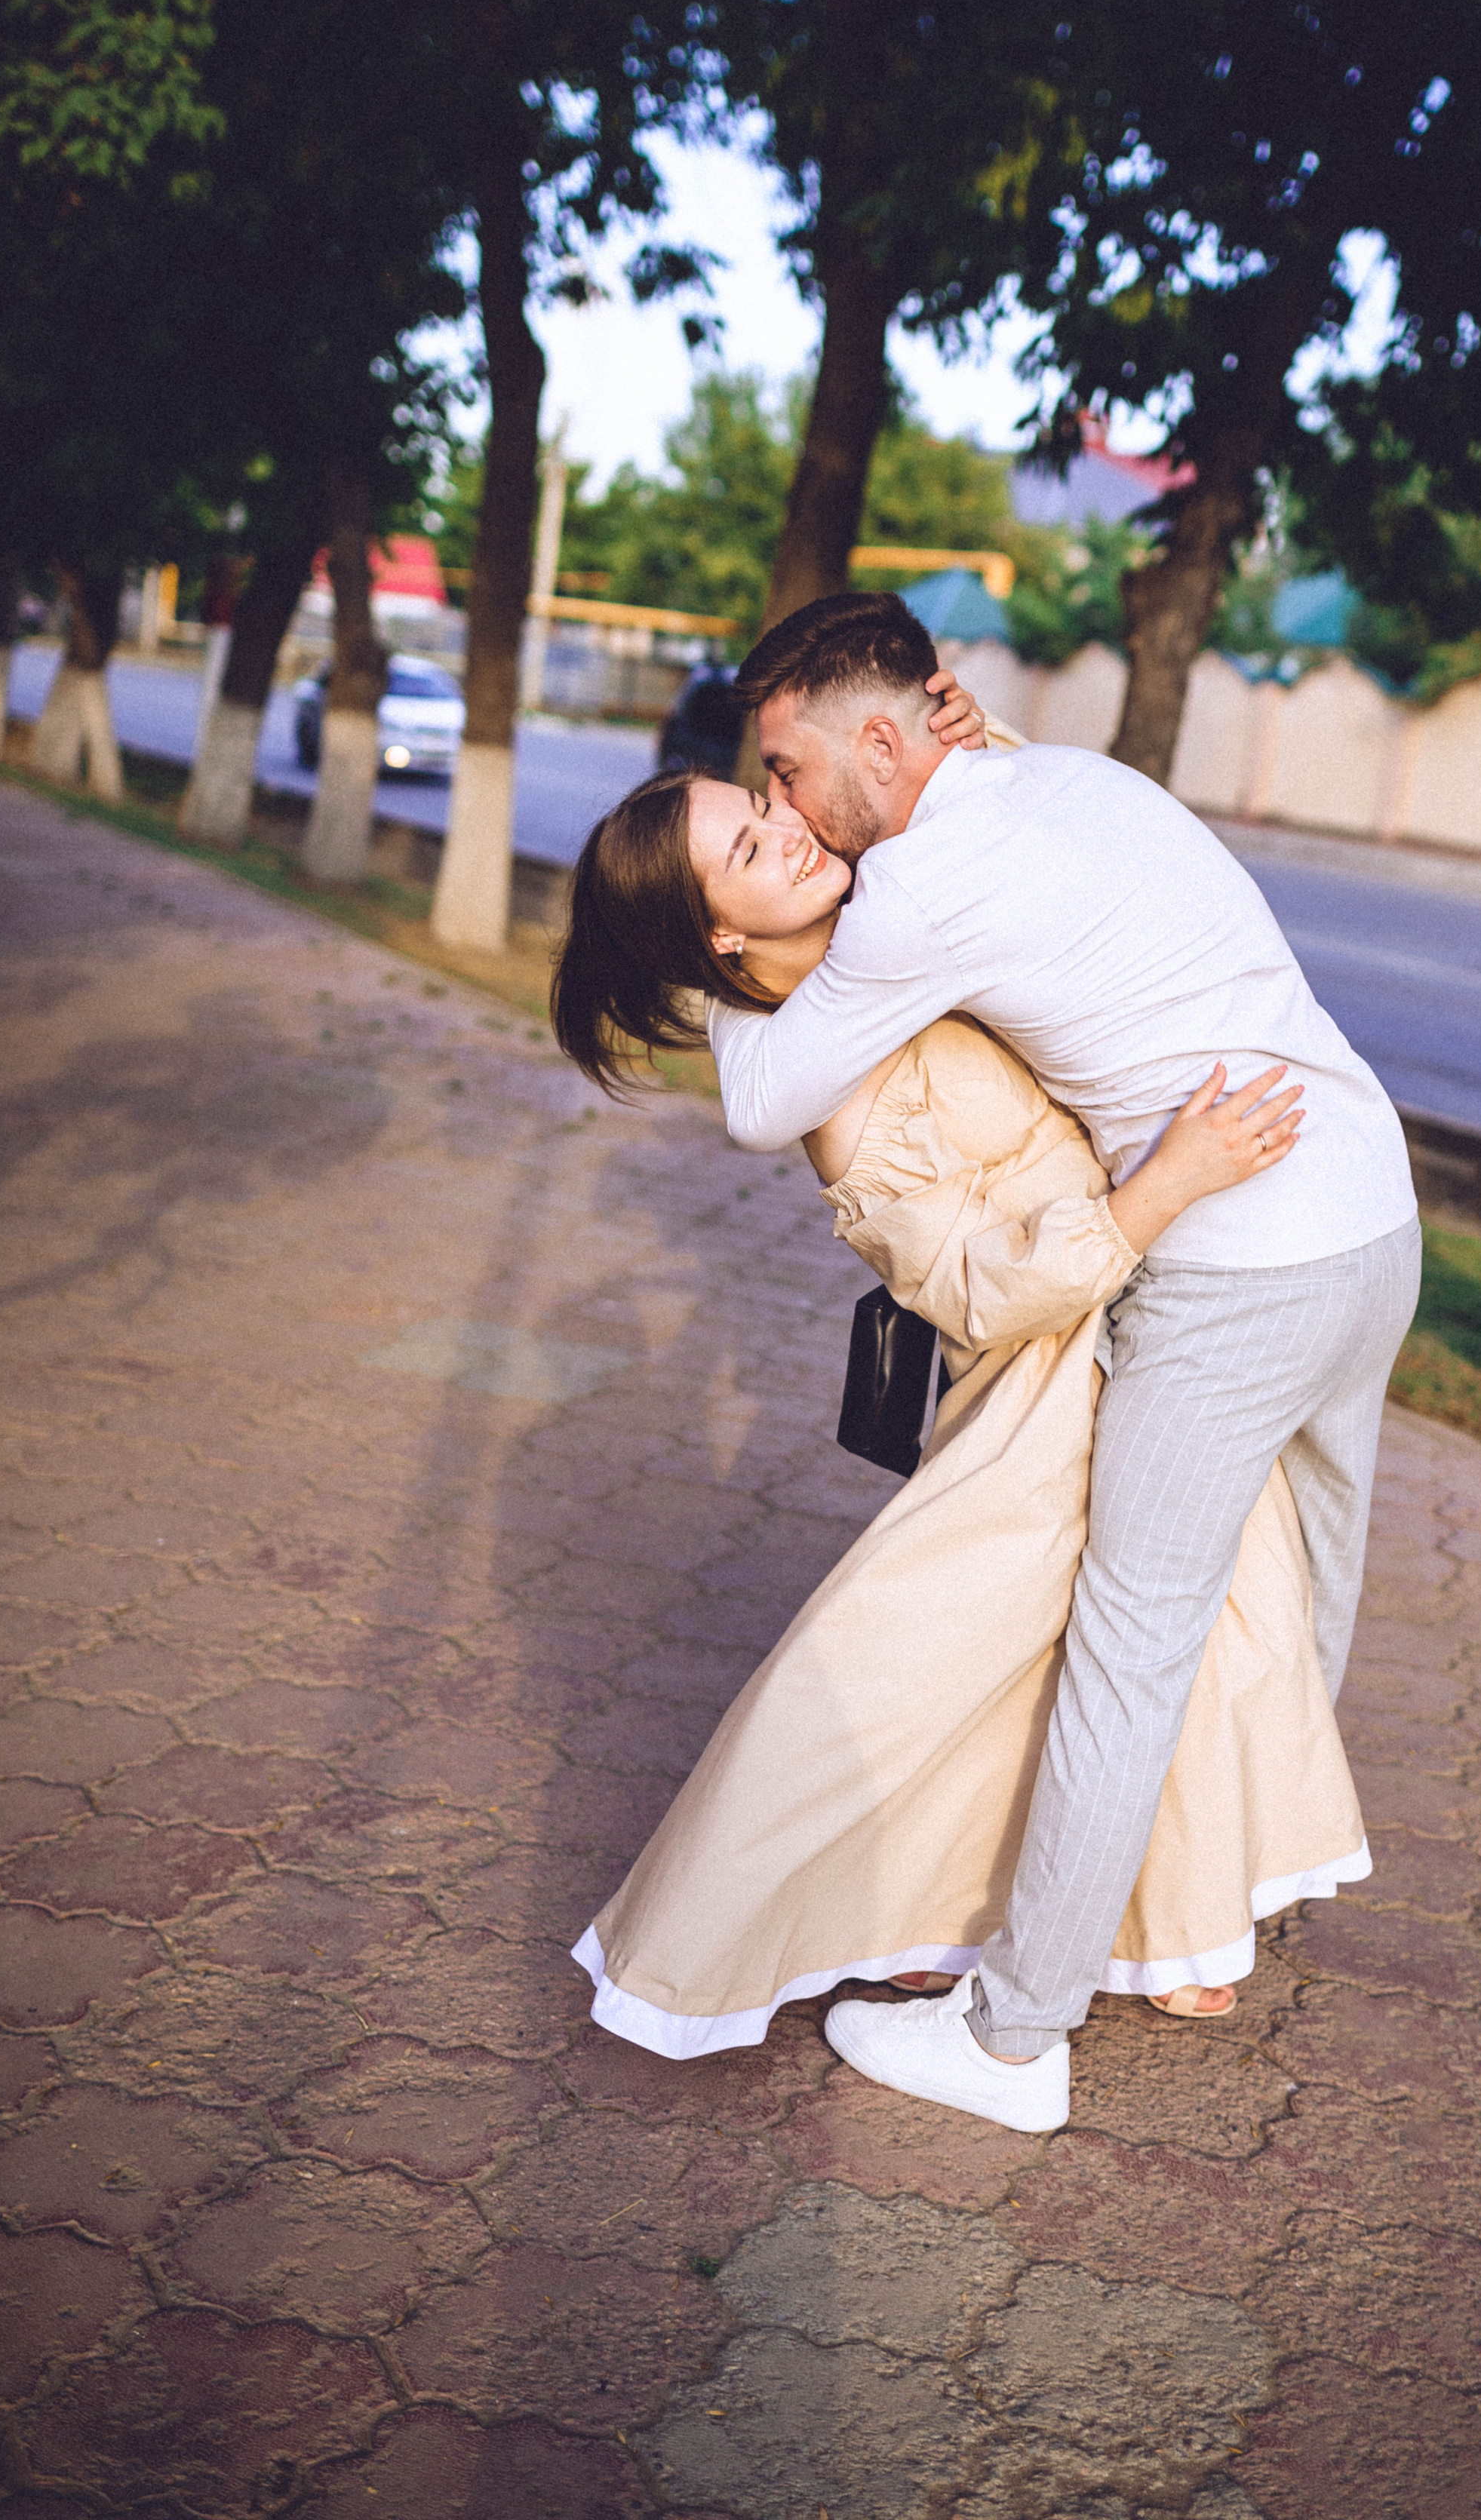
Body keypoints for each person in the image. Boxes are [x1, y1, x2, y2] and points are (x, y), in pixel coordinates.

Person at [553, 756, 1370, 2116]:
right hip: (1042, 1394)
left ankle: (1161, 1924)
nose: (794, 836)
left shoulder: (888, 931)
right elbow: (976, 1288)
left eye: (770, 807)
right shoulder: (831, 1099)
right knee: (911, 1676)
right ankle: (713, 1942)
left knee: (1205, 1631)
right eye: (753, 847)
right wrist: (1167, 1186)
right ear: (722, 932)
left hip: (1148, 1329)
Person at [699, 591, 1421, 2132]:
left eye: (784, 769)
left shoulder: (915, 900)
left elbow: (765, 1100)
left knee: (1131, 1641)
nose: (781, 803)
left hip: (1238, 1263)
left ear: (885, 738)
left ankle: (1013, 2040)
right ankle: (1211, 1905)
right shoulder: (1080, 778)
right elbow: (988, 789)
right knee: (1305, 1574)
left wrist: (691, 973)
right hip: (1373, 1219)